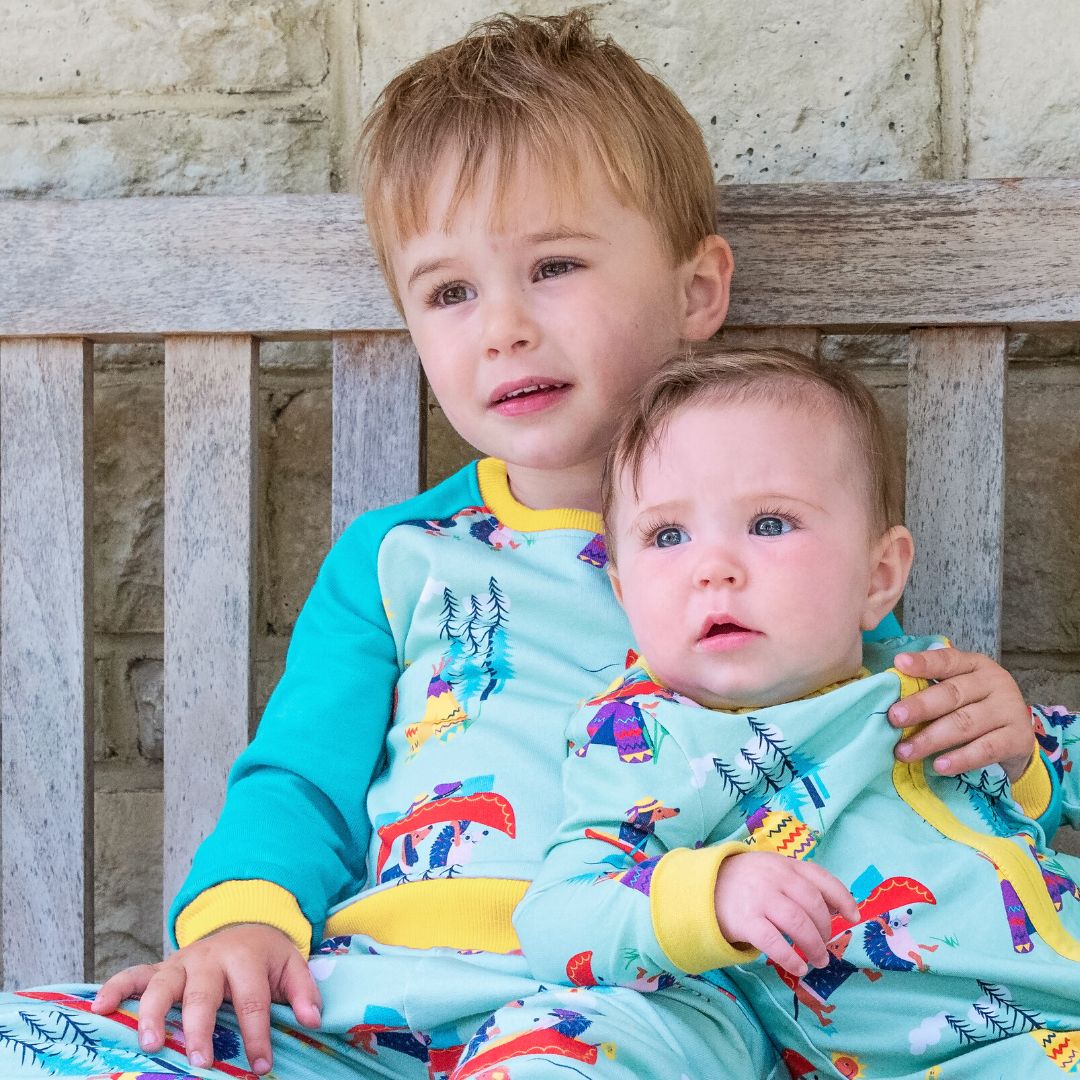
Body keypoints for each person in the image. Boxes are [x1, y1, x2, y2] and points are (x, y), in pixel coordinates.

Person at [0, 11, 1049, 1079]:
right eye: (451, 291)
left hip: (643, 993)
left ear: (696, 291)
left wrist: (996, 731)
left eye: (553, 266)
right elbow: (298, 786)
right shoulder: (400, 556)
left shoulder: (777, 549)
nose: (501, 325)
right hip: (368, 986)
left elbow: (892, 735)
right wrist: (240, 929)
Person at [513, 344, 1080, 1078]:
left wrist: (1024, 757)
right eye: (668, 536)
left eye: (770, 524)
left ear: (878, 578)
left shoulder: (924, 681)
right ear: (624, 597)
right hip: (963, 1058)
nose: (713, 566)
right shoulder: (644, 737)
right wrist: (709, 894)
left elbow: (1047, 776)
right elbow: (558, 916)